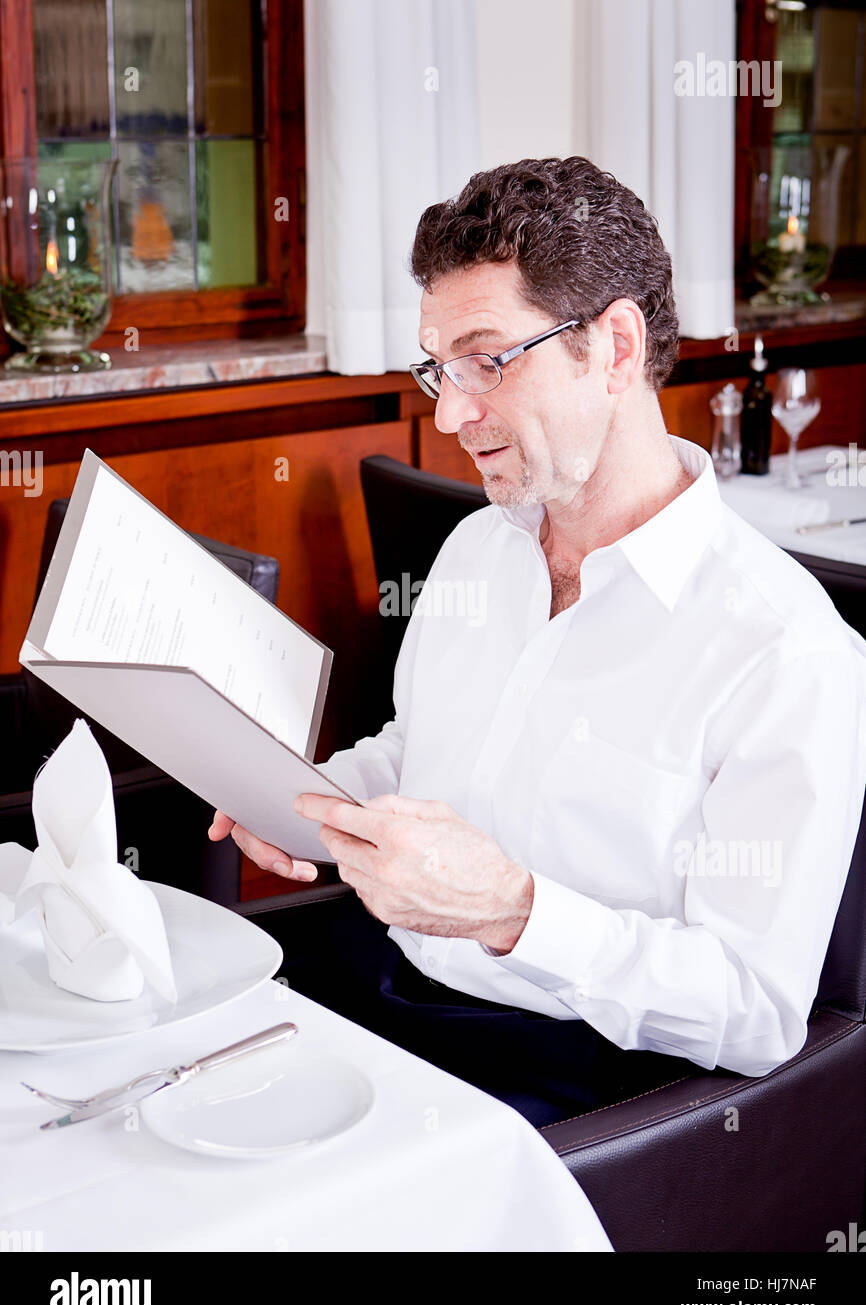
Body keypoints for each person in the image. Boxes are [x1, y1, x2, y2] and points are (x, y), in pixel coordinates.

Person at [210, 156, 866, 1128]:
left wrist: (514, 910)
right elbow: (416, 750)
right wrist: (307, 799)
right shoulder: (481, 548)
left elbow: (753, 1006)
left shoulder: (783, 653)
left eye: (486, 359)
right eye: (437, 368)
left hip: (589, 1093)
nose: (448, 414)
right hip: (388, 996)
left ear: (612, 345)